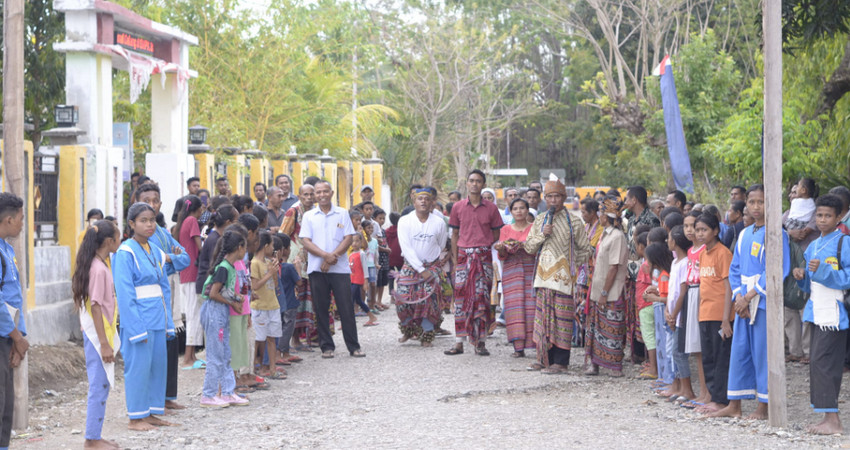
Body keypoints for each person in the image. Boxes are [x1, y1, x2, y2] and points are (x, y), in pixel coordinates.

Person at [710, 185, 790, 420]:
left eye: (761, 202)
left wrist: (750, 295)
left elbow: (777, 269)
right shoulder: (745, 233)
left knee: (762, 352)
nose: (756, 207)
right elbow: (735, 268)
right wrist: (738, 296)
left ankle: (764, 406)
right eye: (752, 202)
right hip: (742, 302)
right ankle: (734, 404)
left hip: (762, 301)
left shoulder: (776, 233)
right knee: (740, 352)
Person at [113, 203, 176, 430]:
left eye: (152, 220)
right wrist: (135, 326)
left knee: (157, 366)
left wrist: (168, 322)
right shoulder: (125, 252)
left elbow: (163, 287)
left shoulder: (156, 250)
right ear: (132, 224)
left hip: (157, 316)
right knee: (138, 367)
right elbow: (124, 293)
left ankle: (151, 412)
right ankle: (135, 417)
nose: (149, 225)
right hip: (138, 318)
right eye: (143, 220)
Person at [793, 194, 850, 435]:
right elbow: (809, 284)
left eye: (828, 215)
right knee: (816, 363)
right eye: (819, 215)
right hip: (816, 311)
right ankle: (827, 416)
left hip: (835, 314)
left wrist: (824, 269)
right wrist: (802, 276)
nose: (822, 219)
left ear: (839, 217)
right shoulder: (814, 244)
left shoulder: (844, 243)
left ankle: (833, 421)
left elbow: (846, 278)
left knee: (826, 364)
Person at [522, 180, 591, 373]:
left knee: (562, 319)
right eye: (550, 196)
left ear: (564, 198)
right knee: (543, 319)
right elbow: (529, 247)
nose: (554, 200)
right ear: (545, 198)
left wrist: (569, 265)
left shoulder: (574, 221)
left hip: (564, 281)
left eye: (558, 196)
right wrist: (542, 235)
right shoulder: (540, 219)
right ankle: (543, 358)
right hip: (543, 279)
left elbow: (586, 249)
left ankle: (560, 362)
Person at [134, 184, 189, 410]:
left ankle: (167, 396)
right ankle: (148, 401)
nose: (152, 205)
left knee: (169, 346)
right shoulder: (134, 237)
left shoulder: (163, 234)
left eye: (155, 201)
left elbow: (184, 258)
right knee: (150, 351)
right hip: (147, 301)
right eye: (147, 200)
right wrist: (167, 260)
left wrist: (167, 260)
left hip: (166, 295)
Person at [299, 180, 365, 358]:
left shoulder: (342, 213)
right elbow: (306, 241)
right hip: (316, 268)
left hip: (340, 269)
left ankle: (354, 346)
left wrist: (332, 256)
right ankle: (327, 347)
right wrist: (324, 256)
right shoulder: (309, 216)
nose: (321, 195)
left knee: (346, 308)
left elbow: (348, 238)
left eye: (324, 191)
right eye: (318, 192)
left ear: (332, 193)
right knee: (321, 308)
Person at [73, 219, 121, 449]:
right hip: (96, 335)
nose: (120, 241)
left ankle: (95, 435)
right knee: (99, 385)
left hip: (99, 333)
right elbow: (96, 306)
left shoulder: (100, 264)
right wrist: (104, 343)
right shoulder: (99, 269)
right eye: (119, 237)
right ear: (110, 242)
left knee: (100, 384)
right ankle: (92, 439)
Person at [445, 170, 503, 356]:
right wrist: (455, 259)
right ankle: (458, 342)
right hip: (463, 258)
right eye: (471, 181)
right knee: (461, 299)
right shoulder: (458, 207)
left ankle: (481, 342)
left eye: (478, 181)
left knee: (482, 299)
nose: (475, 184)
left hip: (483, 258)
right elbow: (454, 235)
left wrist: (482, 245)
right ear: (467, 183)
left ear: (483, 183)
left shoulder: (491, 209)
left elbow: (496, 234)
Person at [199, 230, 250, 408]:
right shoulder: (224, 268)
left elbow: (224, 290)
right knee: (215, 354)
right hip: (214, 312)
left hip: (221, 311)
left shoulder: (229, 267)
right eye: (245, 247)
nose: (246, 251)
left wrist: (236, 298)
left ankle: (228, 391)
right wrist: (233, 302)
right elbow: (213, 293)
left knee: (225, 353)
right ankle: (208, 394)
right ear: (239, 248)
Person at [692, 212, 735, 416]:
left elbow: (729, 287)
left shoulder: (723, 253)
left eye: (704, 230)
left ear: (715, 231)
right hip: (705, 313)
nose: (699, 233)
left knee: (721, 358)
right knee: (708, 356)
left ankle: (721, 400)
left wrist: (726, 319)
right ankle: (712, 396)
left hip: (720, 315)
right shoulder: (702, 253)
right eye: (697, 229)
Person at [395, 188, 448, 346]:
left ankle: (427, 335)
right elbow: (406, 248)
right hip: (410, 267)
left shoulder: (439, 222)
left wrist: (430, 267)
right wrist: (420, 269)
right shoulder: (405, 221)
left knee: (429, 302)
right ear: (414, 201)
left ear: (432, 202)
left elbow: (441, 244)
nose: (423, 201)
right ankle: (408, 330)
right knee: (403, 301)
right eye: (420, 199)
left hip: (431, 267)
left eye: (427, 199)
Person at [585, 196, 629, 376]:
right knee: (596, 328)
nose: (599, 216)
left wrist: (604, 292)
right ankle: (595, 363)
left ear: (607, 216)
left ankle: (614, 365)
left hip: (612, 291)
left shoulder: (617, 237)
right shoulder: (605, 234)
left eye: (601, 213)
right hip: (598, 289)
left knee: (612, 327)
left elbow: (614, 267)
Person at [495, 198, 536, 357]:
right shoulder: (505, 229)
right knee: (514, 306)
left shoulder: (534, 228)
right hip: (511, 269)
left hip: (530, 268)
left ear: (527, 210)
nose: (519, 211)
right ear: (511, 211)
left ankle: (534, 344)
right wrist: (501, 248)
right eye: (515, 209)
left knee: (532, 306)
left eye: (522, 208)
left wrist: (523, 245)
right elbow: (502, 253)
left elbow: (536, 248)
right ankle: (518, 347)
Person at [784, 177, 819, 364]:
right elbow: (778, 231)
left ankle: (807, 351)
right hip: (788, 265)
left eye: (796, 190)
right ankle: (794, 350)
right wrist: (790, 233)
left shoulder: (814, 212)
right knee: (789, 306)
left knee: (806, 305)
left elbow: (808, 231)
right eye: (792, 192)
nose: (793, 194)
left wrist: (801, 232)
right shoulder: (788, 214)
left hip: (807, 264)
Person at [624, 186, 661, 363]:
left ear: (634, 200)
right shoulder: (631, 219)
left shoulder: (651, 219)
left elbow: (653, 248)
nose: (625, 202)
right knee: (634, 314)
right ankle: (637, 352)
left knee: (647, 316)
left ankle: (649, 357)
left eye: (627, 199)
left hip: (646, 271)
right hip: (632, 272)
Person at [280, 184, 316, 352]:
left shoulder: (315, 212)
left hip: (311, 261)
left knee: (306, 301)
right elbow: (282, 235)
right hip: (296, 261)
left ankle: (300, 339)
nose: (309, 197)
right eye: (305, 194)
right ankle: (292, 340)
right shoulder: (293, 212)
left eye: (311, 194)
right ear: (300, 196)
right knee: (296, 300)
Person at [662, 225, 696, 402]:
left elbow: (682, 291)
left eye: (669, 238)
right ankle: (682, 387)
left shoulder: (685, 263)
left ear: (674, 242)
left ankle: (687, 389)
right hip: (672, 312)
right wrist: (668, 310)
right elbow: (671, 291)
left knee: (679, 352)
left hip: (680, 315)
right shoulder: (675, 262)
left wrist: (674, 314)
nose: (667, 242)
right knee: (675, 352)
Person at [174, 195, 205, 368]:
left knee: (193, 313)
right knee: (194, 315)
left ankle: (191, 355)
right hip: (193, 273)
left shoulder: (183, 221)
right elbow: (199, 246)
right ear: (198, 208)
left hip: (186, 273)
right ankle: (188, 356)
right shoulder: (192, 221)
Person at [251, 232, 285, 379]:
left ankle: (272, 369)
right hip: (259, 307)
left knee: (272, 338)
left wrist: (274, 272)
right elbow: (255, 286)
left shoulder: (268, 262)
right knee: (257, 340)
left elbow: (275, 284)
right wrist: (269, 273)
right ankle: (251, 371)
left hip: (273, 305)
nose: (273, 248)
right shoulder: (255, 263)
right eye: (271, 245)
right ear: (265, 246)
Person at [642, 242, 673, 383]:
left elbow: (668, 298)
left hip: (663, 312)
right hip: (659, 312)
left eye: (647, 259)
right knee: (661, 343)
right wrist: (655, 291)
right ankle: (663, 377)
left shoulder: (665, 276)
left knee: (666, 346)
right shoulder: (661, 276)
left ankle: (668, 378)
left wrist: (654, 297)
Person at [274, 234, 303, 364]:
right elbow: (299, 282)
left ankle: (282, 352)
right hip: (290, 302)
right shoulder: (289, 267)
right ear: (285, 250)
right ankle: (282, 352)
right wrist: (299, 269)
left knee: (280, 326)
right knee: (288, 327)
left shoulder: (276, 267)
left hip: (278, 302)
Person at [348, 234, 379, 327]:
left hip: (358, 281)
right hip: (352, 280)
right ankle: (372, 317)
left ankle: (347, 322)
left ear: (361, 242)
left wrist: (366, 281)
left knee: (350, 300)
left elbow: (365, 268)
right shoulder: (351, 254)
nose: (354, 243)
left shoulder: (361, 254)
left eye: (357, 241)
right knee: (358, 301)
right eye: (352, 241)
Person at [373, 208, 391, 310]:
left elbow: (385, 242)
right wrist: (385, 249)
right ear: (374, 219)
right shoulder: (373, 231)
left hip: (385, 259)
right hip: (377, 259)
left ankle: (379, 301)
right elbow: (374, 245)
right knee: (377, 282)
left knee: (383, 282)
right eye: (380, 218)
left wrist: (387, 248)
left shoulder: (383, 231)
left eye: (383, 218)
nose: (382, 221)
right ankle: (374, 301)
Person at [361, 220, 380, 311]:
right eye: (368, 228)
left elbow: (376, 254)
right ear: (363, 229)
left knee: (373, 284)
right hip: (363, 266)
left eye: (372, 227)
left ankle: (372, 304)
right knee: (363, 286)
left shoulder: (375, 241)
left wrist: (376, 263)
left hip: (372, 266)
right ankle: (363, 305)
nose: (370, 229)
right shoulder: (361, 241)